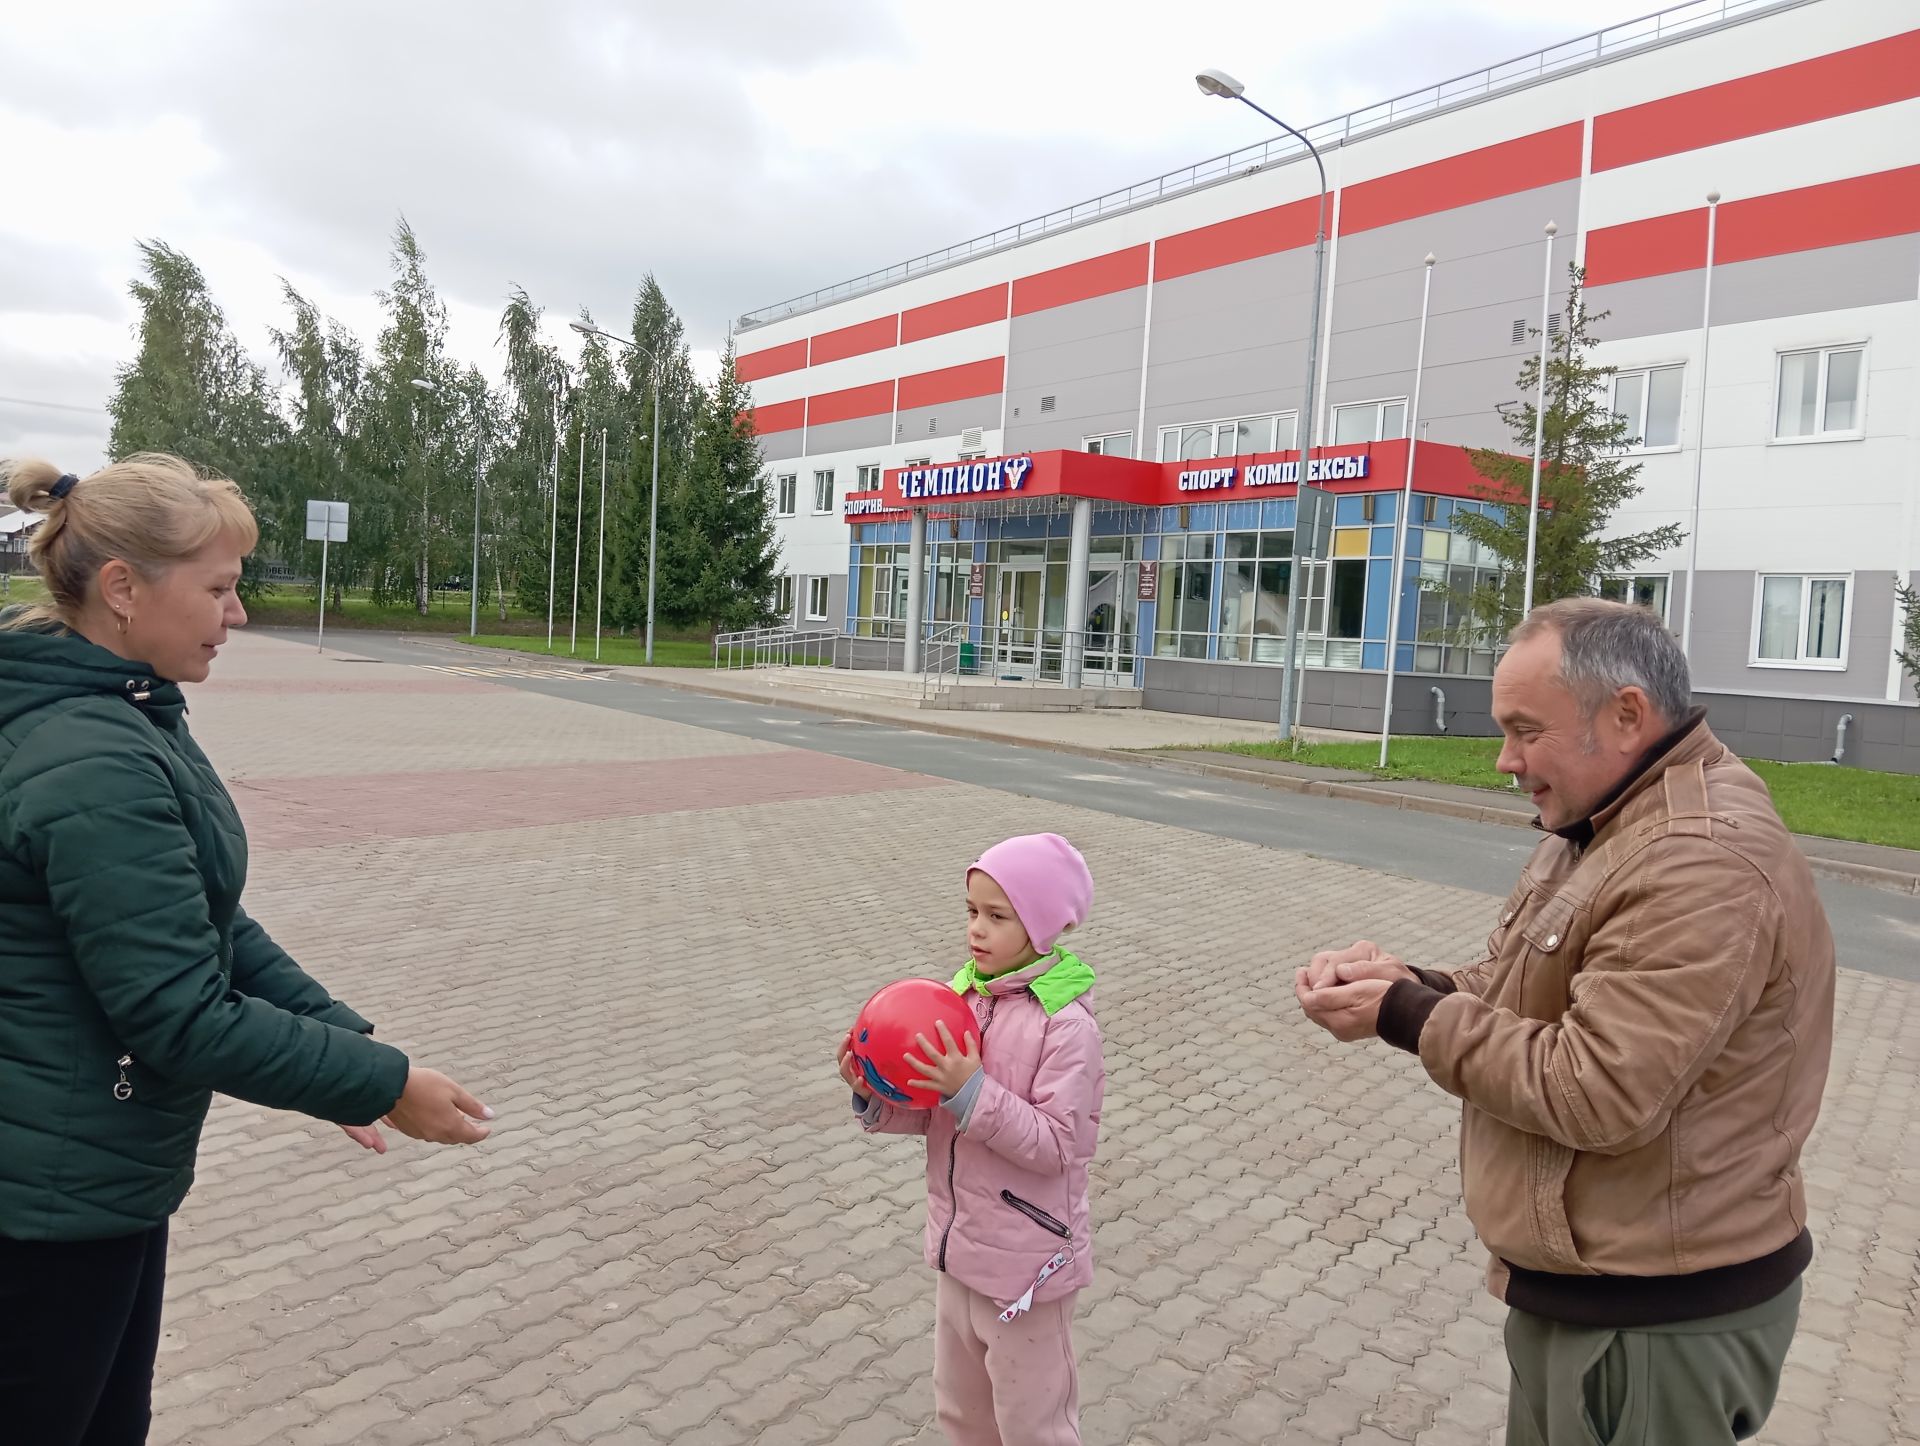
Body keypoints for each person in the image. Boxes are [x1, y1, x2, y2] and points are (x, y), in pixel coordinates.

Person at [0, 455, 494, 1446]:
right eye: (219, 591)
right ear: (124, 588)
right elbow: (177, 1009)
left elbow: (207, 925)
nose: (237, 618)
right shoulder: (92, 754)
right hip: (48, 1200)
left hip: (90, 1173)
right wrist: (377, 1082)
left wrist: (343, 1048)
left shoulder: (128, 715)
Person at [1296, 597, 1835, 1446]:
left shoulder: (1698, 857)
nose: (1505, 760)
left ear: (1626, 714)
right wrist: (1414, 981)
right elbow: (1535, 984)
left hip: (1654, 1322)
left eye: (1525, 730)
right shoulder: (1604, 818)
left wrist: (1408, 1015)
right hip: (1598, 1293)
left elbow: (1600, 1087)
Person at [835, 833, 1104, 1446]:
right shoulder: (964, 999)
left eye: (997, 916)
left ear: (1039, 926)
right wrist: (874, 1093)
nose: (976, 930)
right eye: (971, 911)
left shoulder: (1066, 1026)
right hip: (959, 1257)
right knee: (962, 1416)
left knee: (1035, 1426)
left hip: (1026, 1273)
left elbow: (1058, 1146)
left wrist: (971, 1090)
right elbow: (935, 1114)